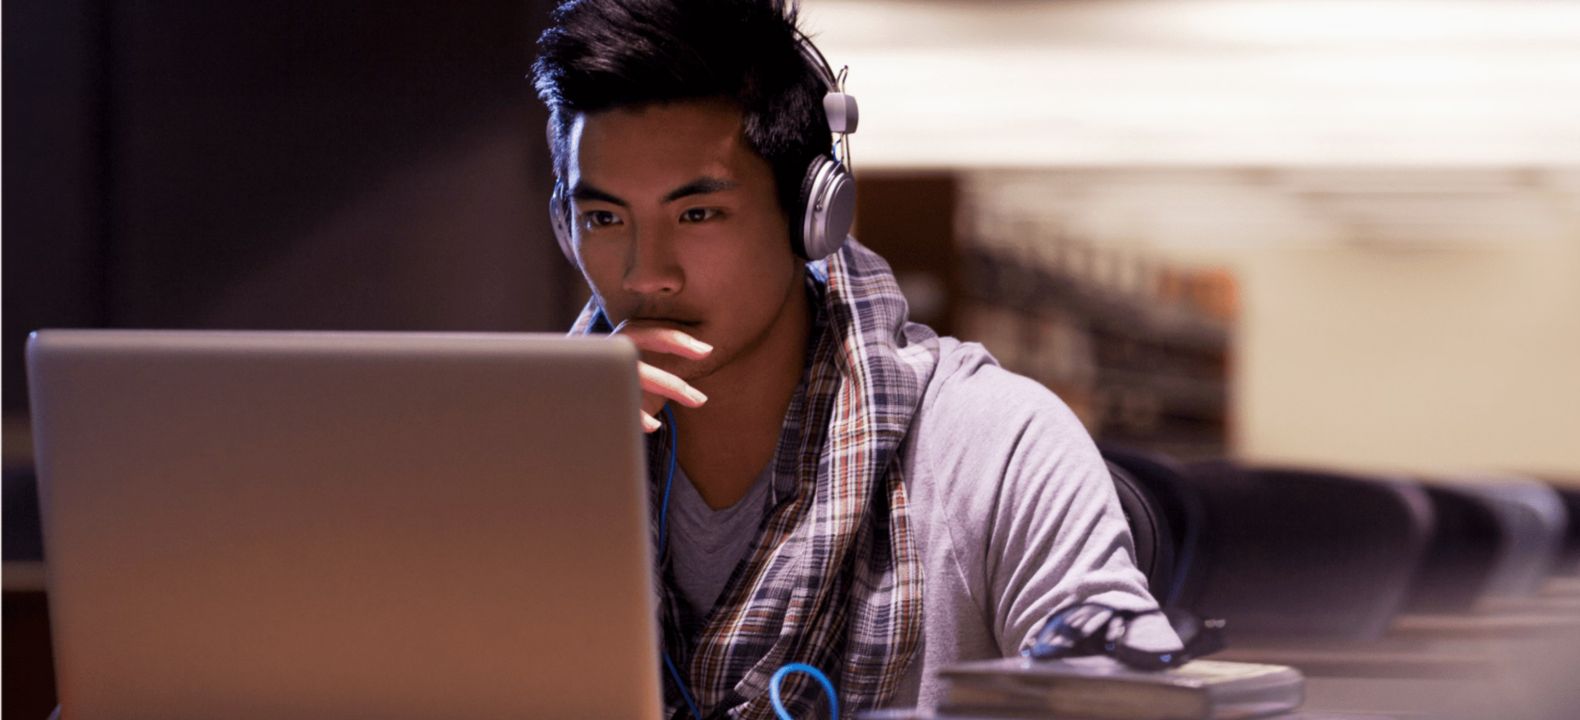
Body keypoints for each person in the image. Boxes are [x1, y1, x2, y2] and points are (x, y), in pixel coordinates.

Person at [531, 1, 1171, 716]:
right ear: (564, 227)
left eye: (697, 214)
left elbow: (1129, 704)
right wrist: (556, 484)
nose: (647, 274)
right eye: (604, 219)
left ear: (813, 216)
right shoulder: (529, 455)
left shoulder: (995, 444)